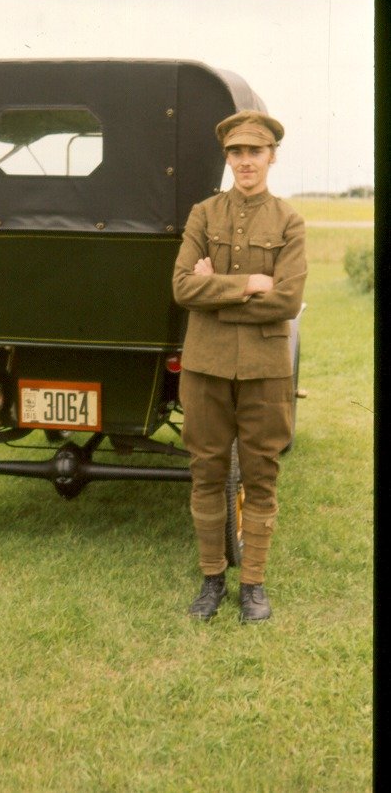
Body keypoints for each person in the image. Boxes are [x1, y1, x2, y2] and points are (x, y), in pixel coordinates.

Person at [172, 109, 307, 623]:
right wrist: (250, 283)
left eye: (255, 151)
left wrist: (215, 291)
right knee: (206, 472)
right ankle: (212, 579)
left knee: (261, 474)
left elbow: (287, 300)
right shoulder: (203, 215)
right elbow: (182, 287)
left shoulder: (289, 221)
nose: (245, 161)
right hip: (205, 366)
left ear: (272, 156)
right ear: (227, 157)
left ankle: (253, 584)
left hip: (265, 370)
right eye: (236, 152)